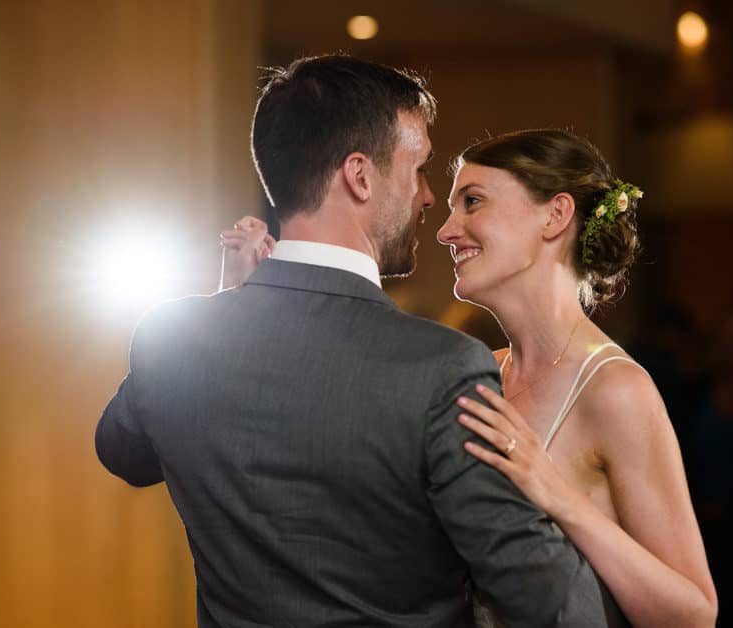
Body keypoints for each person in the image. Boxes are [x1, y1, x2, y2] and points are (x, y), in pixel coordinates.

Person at [96, 55, 607, 628]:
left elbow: (124, 453)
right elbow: (550, 602)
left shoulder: (170, 340)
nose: (429, 198)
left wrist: (223, 310)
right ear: (360, 176)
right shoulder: (445, 368)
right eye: (418, 170)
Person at [437, 130, 718, 627]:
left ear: (555, 216)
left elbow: (693, 615)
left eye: (472, 202)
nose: (446, 231)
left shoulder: (616, 391)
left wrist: (558, 496)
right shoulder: (479, 371)